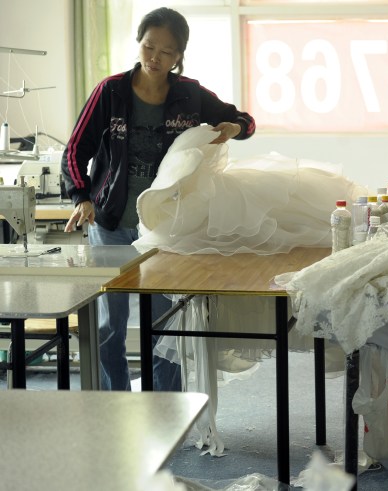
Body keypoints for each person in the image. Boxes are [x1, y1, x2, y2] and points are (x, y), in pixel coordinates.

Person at [60, 7, 255, 391]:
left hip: (166, 227)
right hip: (110, 224)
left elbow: (246, 121)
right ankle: (114, 401)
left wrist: (233, 127)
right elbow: (74, 151)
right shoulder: (110, 91)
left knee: (164, 324)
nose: (154, 57)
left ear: (179, 56)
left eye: (166, 52)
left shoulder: (189, 94)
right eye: (149, 46)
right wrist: (82, 196)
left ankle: (166, 406)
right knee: (109, 325)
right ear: (138, 43)